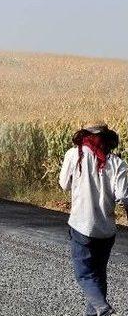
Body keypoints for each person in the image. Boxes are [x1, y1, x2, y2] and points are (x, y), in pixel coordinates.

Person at [59, 121, 128, 316]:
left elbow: (64, 184)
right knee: (99, 275)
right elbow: (123, 196)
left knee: (85, 275)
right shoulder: (117, 162)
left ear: (84, 135)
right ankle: (94, 313)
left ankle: (104, 310)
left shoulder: (74, 155)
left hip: (82, 226)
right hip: (107, 230)